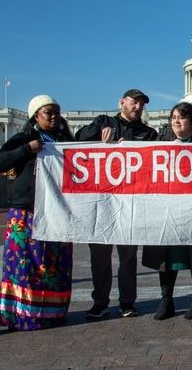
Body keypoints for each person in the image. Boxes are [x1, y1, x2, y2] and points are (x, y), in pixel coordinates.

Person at [76, 89, 158, 319]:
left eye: (142, 104)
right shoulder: (104, 123)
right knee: (99, 256)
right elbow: (76, 142)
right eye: (134, 102)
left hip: (129, 203)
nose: (138, 107)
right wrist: (99, 141)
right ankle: (100, 301)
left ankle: (127, 302)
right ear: (121, 102)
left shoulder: (148, 133)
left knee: (128, 257)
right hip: (101, 202)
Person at [0, 95, 74, 330]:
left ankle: (53, 313)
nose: (53, 117)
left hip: (56, 211)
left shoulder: (65, 140)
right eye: (47, 112)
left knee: (54, 264)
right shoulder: (25, 138)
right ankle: (23, 314)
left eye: (56, 112)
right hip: (26, 210)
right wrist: (27, 149)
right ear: (35, 116)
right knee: (25, 264)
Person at [141, 102, 192, 320]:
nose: (176, 122)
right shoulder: (161, 145)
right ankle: (166, 300)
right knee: (166, 255)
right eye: (173, 118)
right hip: (168, 210)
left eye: (181, 117)